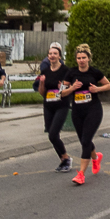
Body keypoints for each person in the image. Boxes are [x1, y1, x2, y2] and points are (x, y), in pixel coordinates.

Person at [61, 43, 110, 185]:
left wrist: (97, 89)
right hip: (77, 111)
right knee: (84, 140)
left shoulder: (95, 72)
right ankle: (95, 158)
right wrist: (72, 88)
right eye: (79, 58)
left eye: (84, 57)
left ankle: (81, 174)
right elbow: (62, 93)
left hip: (93, 109)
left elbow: (108, 85)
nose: (81, 60)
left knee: (86, 141)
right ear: (76, 60)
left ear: (88, 59)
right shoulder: (71, 73)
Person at [38, 43, 73, 172]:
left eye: (55, 54)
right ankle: (63, 159)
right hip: (48, 105)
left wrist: (62, 88)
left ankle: (66, 158)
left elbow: (71, 88)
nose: (52, 56)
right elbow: (42, 93)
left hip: (61, 105)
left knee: (53, 133)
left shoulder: (65, 71)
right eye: (50, 54)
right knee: (51, 135)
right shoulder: (45, 71)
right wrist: (41, 83)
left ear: (59, 56)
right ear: (48, 56)